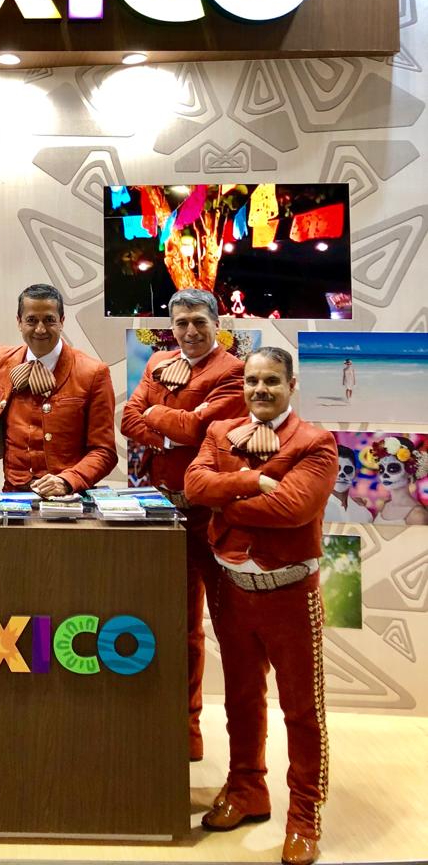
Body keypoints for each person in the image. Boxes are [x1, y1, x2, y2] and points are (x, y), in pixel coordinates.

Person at [185, 347, 338, 865]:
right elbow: (194, 486)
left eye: (271, 381)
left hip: (292, 594)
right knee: (242, 699)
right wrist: (252, 481)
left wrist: (224, 505)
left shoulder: (314, 442)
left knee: (302, 710)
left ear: (291, 385)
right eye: (252, 381)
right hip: (234, 589)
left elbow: (293, 508)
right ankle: (247, 788)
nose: (260, 390)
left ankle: (304, 816)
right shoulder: (219, 431)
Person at [120, 288, 247, 762]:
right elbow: (128, 419)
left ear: (217, 324)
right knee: (171, 620)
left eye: (199, 321)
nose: (190, 331)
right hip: (159, 510)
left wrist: (157, 414)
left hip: (208, 514)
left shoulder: (233, 372)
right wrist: (170, 432)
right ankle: (171, 721)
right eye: (181, 323)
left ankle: (209, 735)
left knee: (217, 628)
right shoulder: (158, 363)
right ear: (170, 326)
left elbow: (200, 430)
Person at [0, 283, 117, 495]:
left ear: (62, 321)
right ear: (19, 322)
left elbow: (104, 451)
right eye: (31, 320)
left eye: (49, 320)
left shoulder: (94, 373)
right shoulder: (1, 360)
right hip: (13, 495)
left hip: (69, 499)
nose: (40, 329)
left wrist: (67, 481)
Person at [369, 435, 428, 525]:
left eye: (392, 469)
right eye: (381, 469)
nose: (385, 475)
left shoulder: (417, 515)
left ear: (410, 472)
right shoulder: (383, 505)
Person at [324, 445, 373, 524]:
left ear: (355, 473)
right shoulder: (314, 510)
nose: (341, 475)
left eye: (348, 469)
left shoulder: (364, 514)